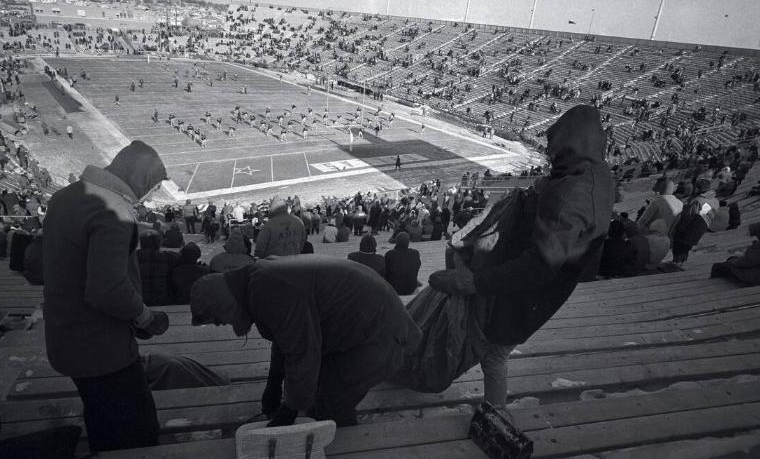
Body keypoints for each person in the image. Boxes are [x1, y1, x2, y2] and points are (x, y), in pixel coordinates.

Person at [428, 105, 613, 407]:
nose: (551, 156)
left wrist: (474, 282)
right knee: (492, 349)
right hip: (547, 286)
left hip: (530, 293)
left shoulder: (572, 195)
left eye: (555, 149)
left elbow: (540, 265)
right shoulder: (596, 172)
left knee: (493, 354)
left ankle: (494, 413)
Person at [42, 141, 171, 452]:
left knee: (101, 416)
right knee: (136, 433)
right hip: (101, 348)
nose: (149, 194)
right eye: (151, 186)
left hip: (64, 335)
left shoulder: (63, 197)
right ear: (139, 177)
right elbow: (107, 289)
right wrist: (145, 316)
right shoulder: (113, 210)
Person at [189, 255, 421, 426]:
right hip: (363, 324)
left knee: (329, 404)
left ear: (225, 304)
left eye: (220, 319)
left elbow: (303, 351)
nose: (223, 325)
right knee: (313, 393)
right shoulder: (256, 279)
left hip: (380, 333)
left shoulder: (266, 288)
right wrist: (274, 384)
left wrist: (289, 410)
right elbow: (286, 338)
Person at [137, 230, 180, 307]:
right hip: (163, 299)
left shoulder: (133, 257)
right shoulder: (169, 256)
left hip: (140, 299)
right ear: (159, 243)